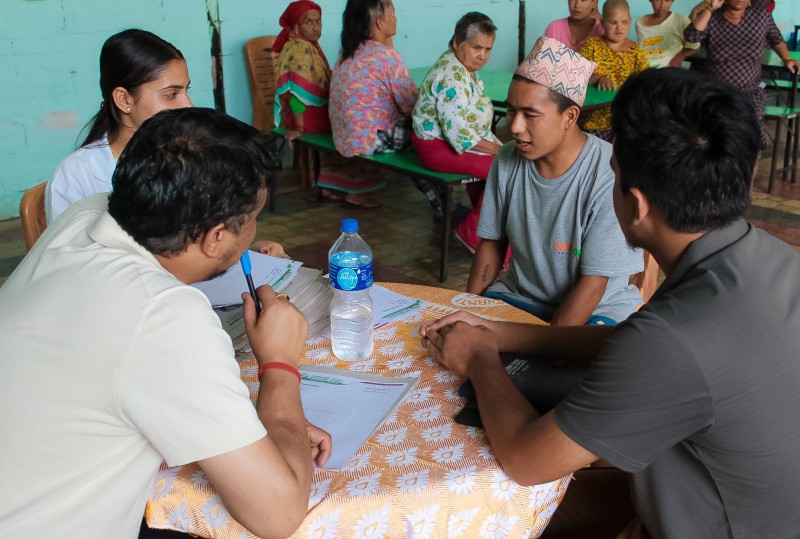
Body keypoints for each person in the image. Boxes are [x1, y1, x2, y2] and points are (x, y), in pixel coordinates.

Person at [422, 67, 800, 539]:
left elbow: (526, 458)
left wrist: (479, 357)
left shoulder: (669, 341)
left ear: (636, 204)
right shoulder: (769, 257)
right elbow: (641, 344)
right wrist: (499, 332)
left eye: (615, 174)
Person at [0, 108, 331, 538]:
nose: (253, 232)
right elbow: (279, 514)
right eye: (252, 220)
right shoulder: (163, 314)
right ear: (215, 238)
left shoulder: (83, 218)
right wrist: (281, 366)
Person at [469, 36, 643, 326]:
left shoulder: (609, 171)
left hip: (596, 309)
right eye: (511, 110)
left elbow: (593, 283)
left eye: (531, 115)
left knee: (572, 366)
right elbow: (492, 243)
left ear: (570, 116)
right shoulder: (507, 159)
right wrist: (468, 310)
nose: (514, 127)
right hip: (520, 297)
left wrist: (544, 345)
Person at [45, 29, 191, 223]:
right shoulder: (76, 175)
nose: (189, 105)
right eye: (171, 94)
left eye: (187, 90)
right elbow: (70, 251)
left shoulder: (192, 154)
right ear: (124, 100)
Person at [272, 0, 379, 208]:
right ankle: (356, 190)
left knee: (348, 118)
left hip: (313, 114)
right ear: (296, 25)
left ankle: (332, 187)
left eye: (318, 21)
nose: (315, 27)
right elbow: (293, 94)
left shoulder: (307, 45)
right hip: (308, 118)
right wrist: (300, 127)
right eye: (308, 22)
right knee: (357, 127)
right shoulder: (298, 49)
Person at [412, 12, 503, 253]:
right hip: (437, 147)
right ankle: (471, 232)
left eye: (488, 49)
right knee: (507, 171)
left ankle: (489, 231)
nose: (482, 56)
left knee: (501, 167)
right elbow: (460, 134)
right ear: (456, 42)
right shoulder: (451, 74)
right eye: (476, 47)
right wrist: (498, 149)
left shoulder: (463, 67)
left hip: (448, 143)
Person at [328, 0, 418, 209]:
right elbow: (411, 104)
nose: (395, 19)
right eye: (393, 14)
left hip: (343, 136)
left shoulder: (347, 52)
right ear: (379, 23)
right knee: (429, 132)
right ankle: (442, 203)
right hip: (370, 140)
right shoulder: (385, 56)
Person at [685, 0, 800, 146]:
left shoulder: (761, 16)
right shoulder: (712, 17)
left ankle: (748, 168)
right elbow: (691, 36)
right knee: (716, 141)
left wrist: (787, 58)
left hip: (750, 92)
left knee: (750, 143)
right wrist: (710, 7)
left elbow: (776, 39)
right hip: (717, 93)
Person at [579, 0, 649, 141]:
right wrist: (598, 78)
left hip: (626, 121)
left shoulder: (636, 52)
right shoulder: (592, 46)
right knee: (596, 157)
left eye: (625, 22)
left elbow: (646, 83)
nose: (619, 28)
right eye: (613, 22)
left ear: (630, 21)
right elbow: (578, 75)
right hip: (595, 122)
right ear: (602, 21)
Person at [635, 0, 700, 68]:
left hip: (667, 71)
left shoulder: (682, 21)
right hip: (643, 70)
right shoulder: (639, 22)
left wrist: (680, 56)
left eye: (667, 0)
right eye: (658, 0)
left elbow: (695, 48)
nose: (662, 5)